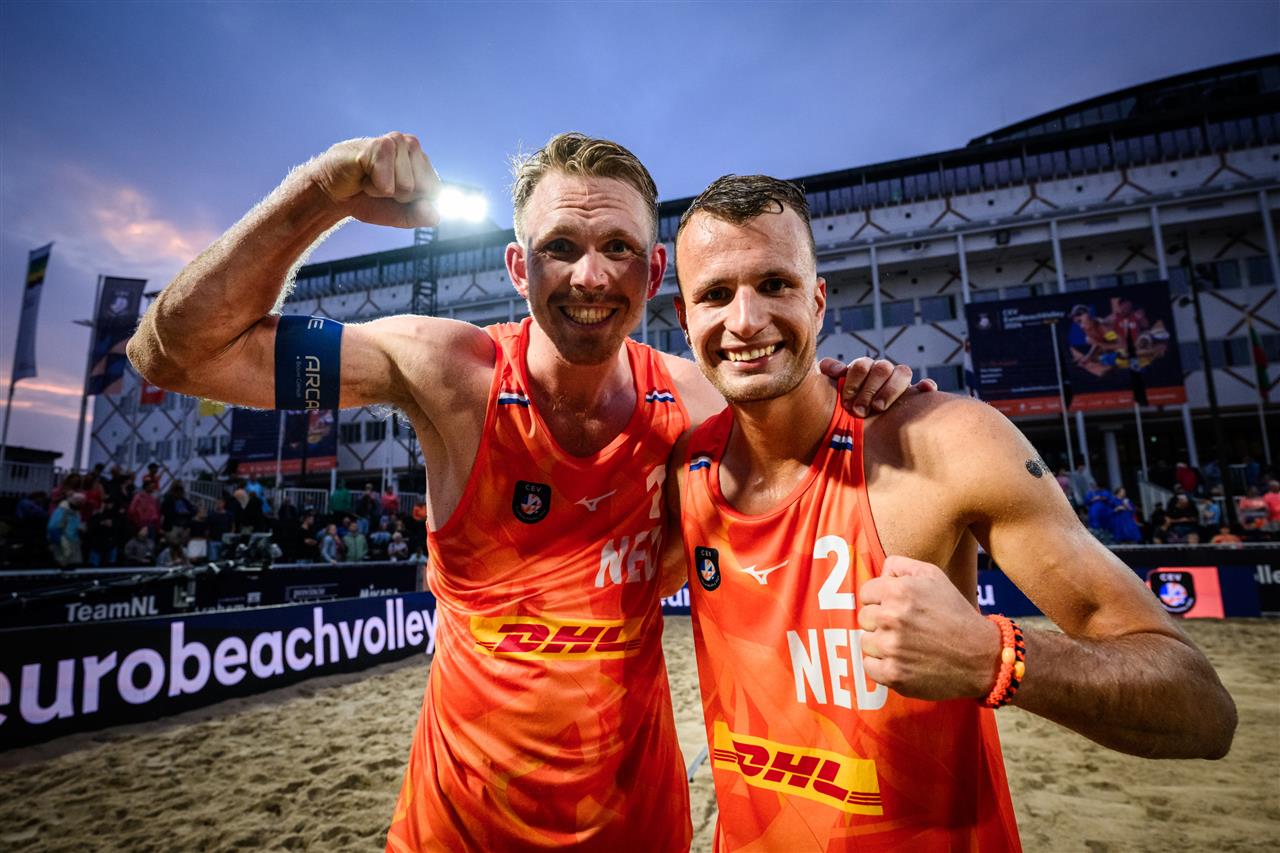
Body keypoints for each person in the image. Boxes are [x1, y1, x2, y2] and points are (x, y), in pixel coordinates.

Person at [126, 131, 922, 852]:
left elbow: (814, 449)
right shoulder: (449, 376)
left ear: (652, 272)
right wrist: (321, 191)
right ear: (519, 267)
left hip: (638, 830)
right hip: (456, 830)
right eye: (561, 246)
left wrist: (867, 388)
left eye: (618, 246)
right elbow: (173, 355)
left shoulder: (697, 405)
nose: (591, 274)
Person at [665, 174, 1236, 851]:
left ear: (818, 301)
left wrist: (998, 658)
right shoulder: (680, 468)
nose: (746, 319)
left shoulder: (946, 443)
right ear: (685, 318)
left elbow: (1202, 708)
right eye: (717, 294)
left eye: (776, 284)